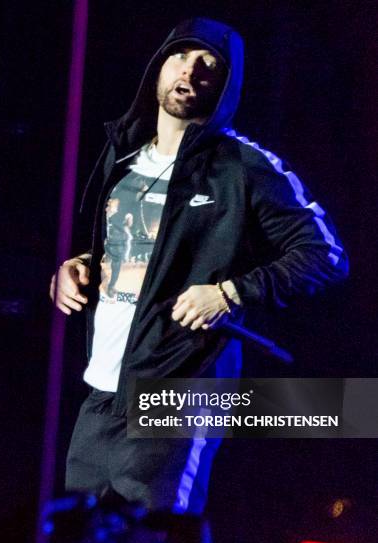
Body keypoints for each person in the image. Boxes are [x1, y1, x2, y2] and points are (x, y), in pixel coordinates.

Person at [49, 18, 348, 514]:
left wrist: (229, 293)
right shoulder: (123, 159)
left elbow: (326, 256)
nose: (192, 71)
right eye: (182, 56)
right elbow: (131, 251)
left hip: (181, 387)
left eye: (210, 65)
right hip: (103, 387)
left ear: (225, 86)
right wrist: (76, 267)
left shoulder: (243, 165)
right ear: (159, 67)